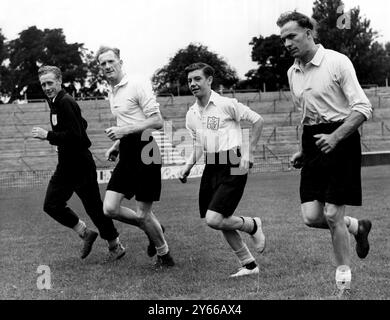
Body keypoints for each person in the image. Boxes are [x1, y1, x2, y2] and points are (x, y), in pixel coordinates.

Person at [277, 11, 373, 294]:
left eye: (291, 36)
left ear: (309, 32)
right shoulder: (291, 72)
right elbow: (306, 117)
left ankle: (343, 279)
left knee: (332, 214)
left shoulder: (336, 61)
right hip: (313, 142)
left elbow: (363, 108)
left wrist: (335, 137)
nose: (287, 43)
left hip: (341, 138)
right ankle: (358, 227)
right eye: (283, 39)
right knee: (311, 216)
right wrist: (303, 150)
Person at [178, 62, 266, 277]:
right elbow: (198, 144)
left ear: (209, 80)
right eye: (190, 80)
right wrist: (188, 166)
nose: (193, 84)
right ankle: (249, 265)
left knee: (214, 218)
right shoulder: (191, 114)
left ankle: (252, 225)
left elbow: (257, 120)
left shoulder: (226, 104)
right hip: (211, 165)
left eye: (197, 79)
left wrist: (249, 152)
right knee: (221, 218)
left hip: (233, 162)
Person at [32, 65, 123, 261]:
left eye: (50, 83)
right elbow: (82, 124)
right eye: (43, 84)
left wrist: (47, 136)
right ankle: (85, 232)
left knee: (94, 208)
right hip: (66, 164)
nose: (46, 87)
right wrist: (61, 142)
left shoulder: (65, 102)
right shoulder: (55, 102)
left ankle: (115, 244)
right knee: (51, 204)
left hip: (80, 165)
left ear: (59, 81)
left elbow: (77, 136)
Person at [95, 46, 174, 268]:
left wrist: (122, 132)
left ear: (120, 62)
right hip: (127, 152)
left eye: (111, 61)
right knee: (109, 208)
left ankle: (164, 254)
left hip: (146, 151)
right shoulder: (112, 91)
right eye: (103, 63)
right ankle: (154, 227)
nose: (108, 66)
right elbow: (127, 123)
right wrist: (117, 145)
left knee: (142, 214)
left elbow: (157, 121)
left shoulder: (137, 84)